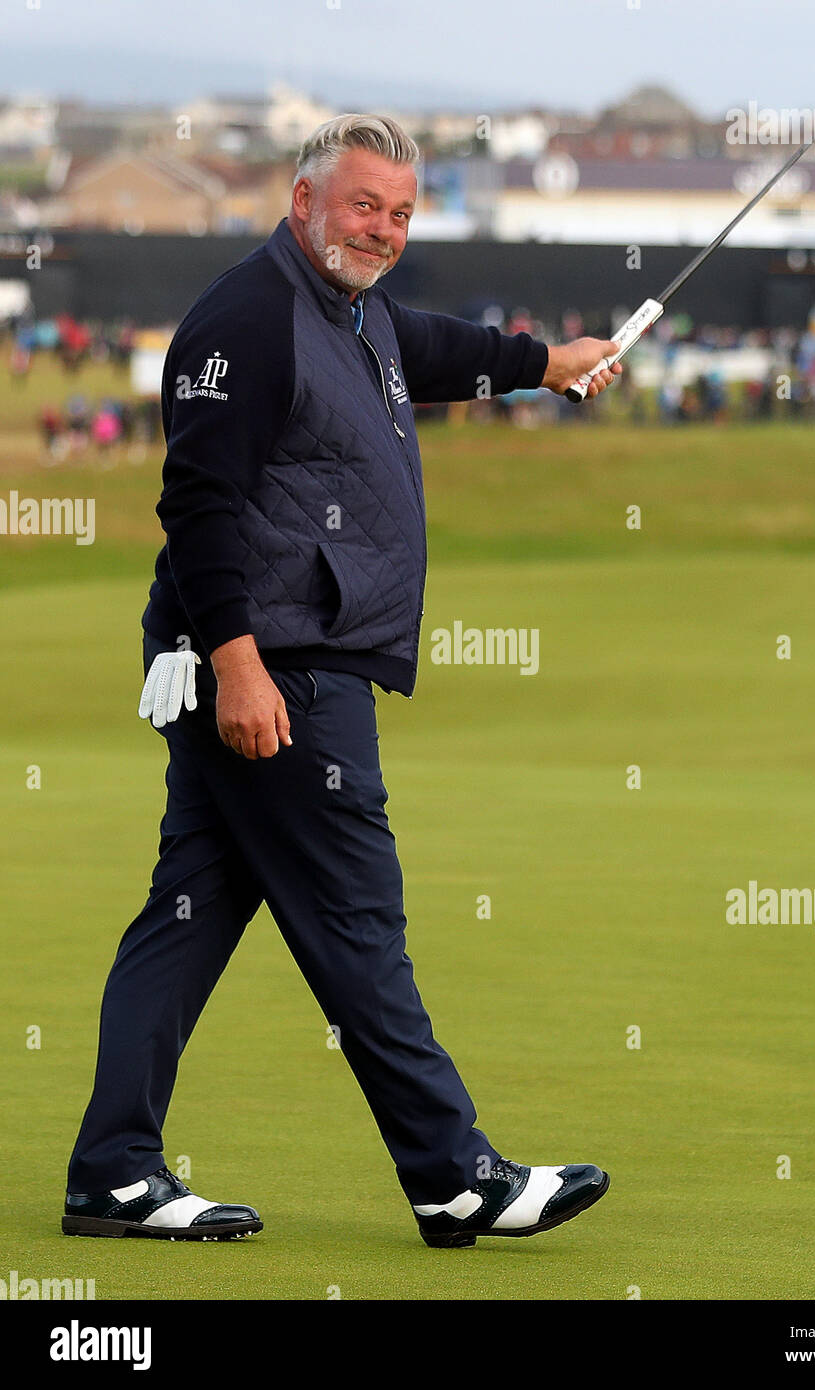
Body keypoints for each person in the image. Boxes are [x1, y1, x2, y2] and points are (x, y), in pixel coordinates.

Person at [63, 114, 620, 1250]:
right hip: (280, 670)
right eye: (365, 205)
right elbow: (198, 504)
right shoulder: (248, 317)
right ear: (304, 198)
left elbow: (427, 344)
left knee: (187, 915)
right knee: (358, 923)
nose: (385, 230)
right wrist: (236, 664)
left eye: (405, 213)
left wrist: (541, 364)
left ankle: (114, 1174)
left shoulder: (346, 306)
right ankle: (453, 1173)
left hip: (282, 659)